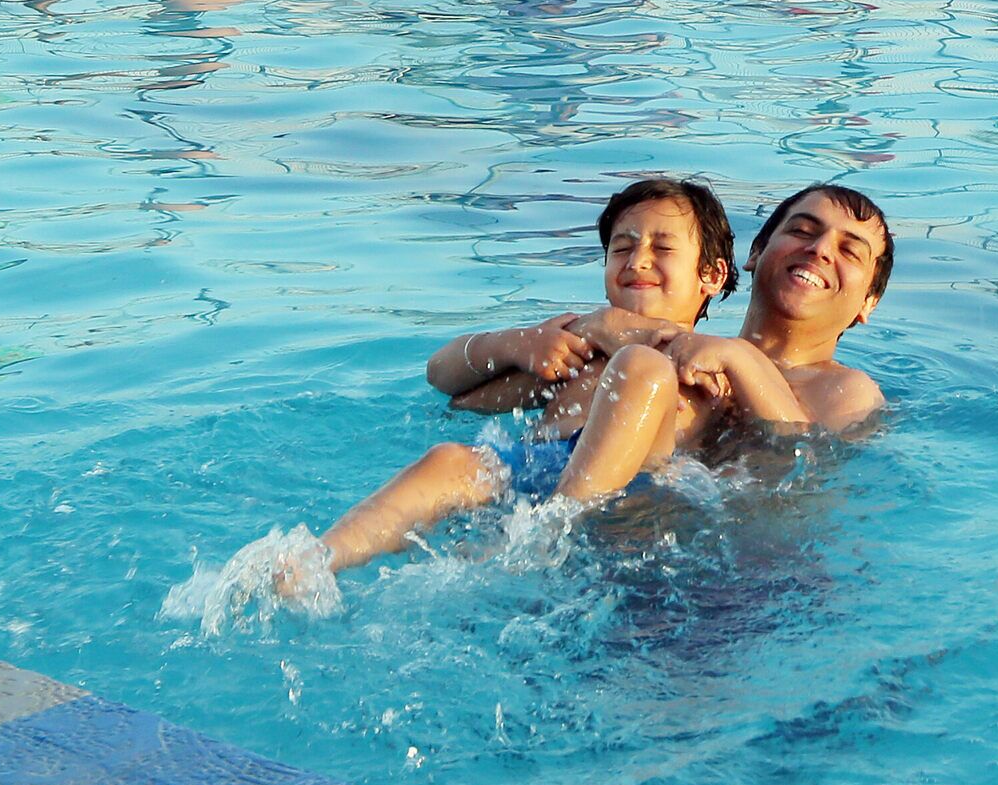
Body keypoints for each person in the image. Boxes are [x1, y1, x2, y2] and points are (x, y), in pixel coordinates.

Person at [305, 178, 892, 577]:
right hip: (553, 491)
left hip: (691, 553)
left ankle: (544, 535)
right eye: (803, 229)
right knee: (449, 459)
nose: (818, 250)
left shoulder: (845, 390)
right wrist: (528, 343)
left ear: (868, 301)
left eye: (850, 250)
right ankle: (311, 562)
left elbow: (797, 450)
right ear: (756, 251)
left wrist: (733, 359)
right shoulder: (638, 337)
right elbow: (461, 398)